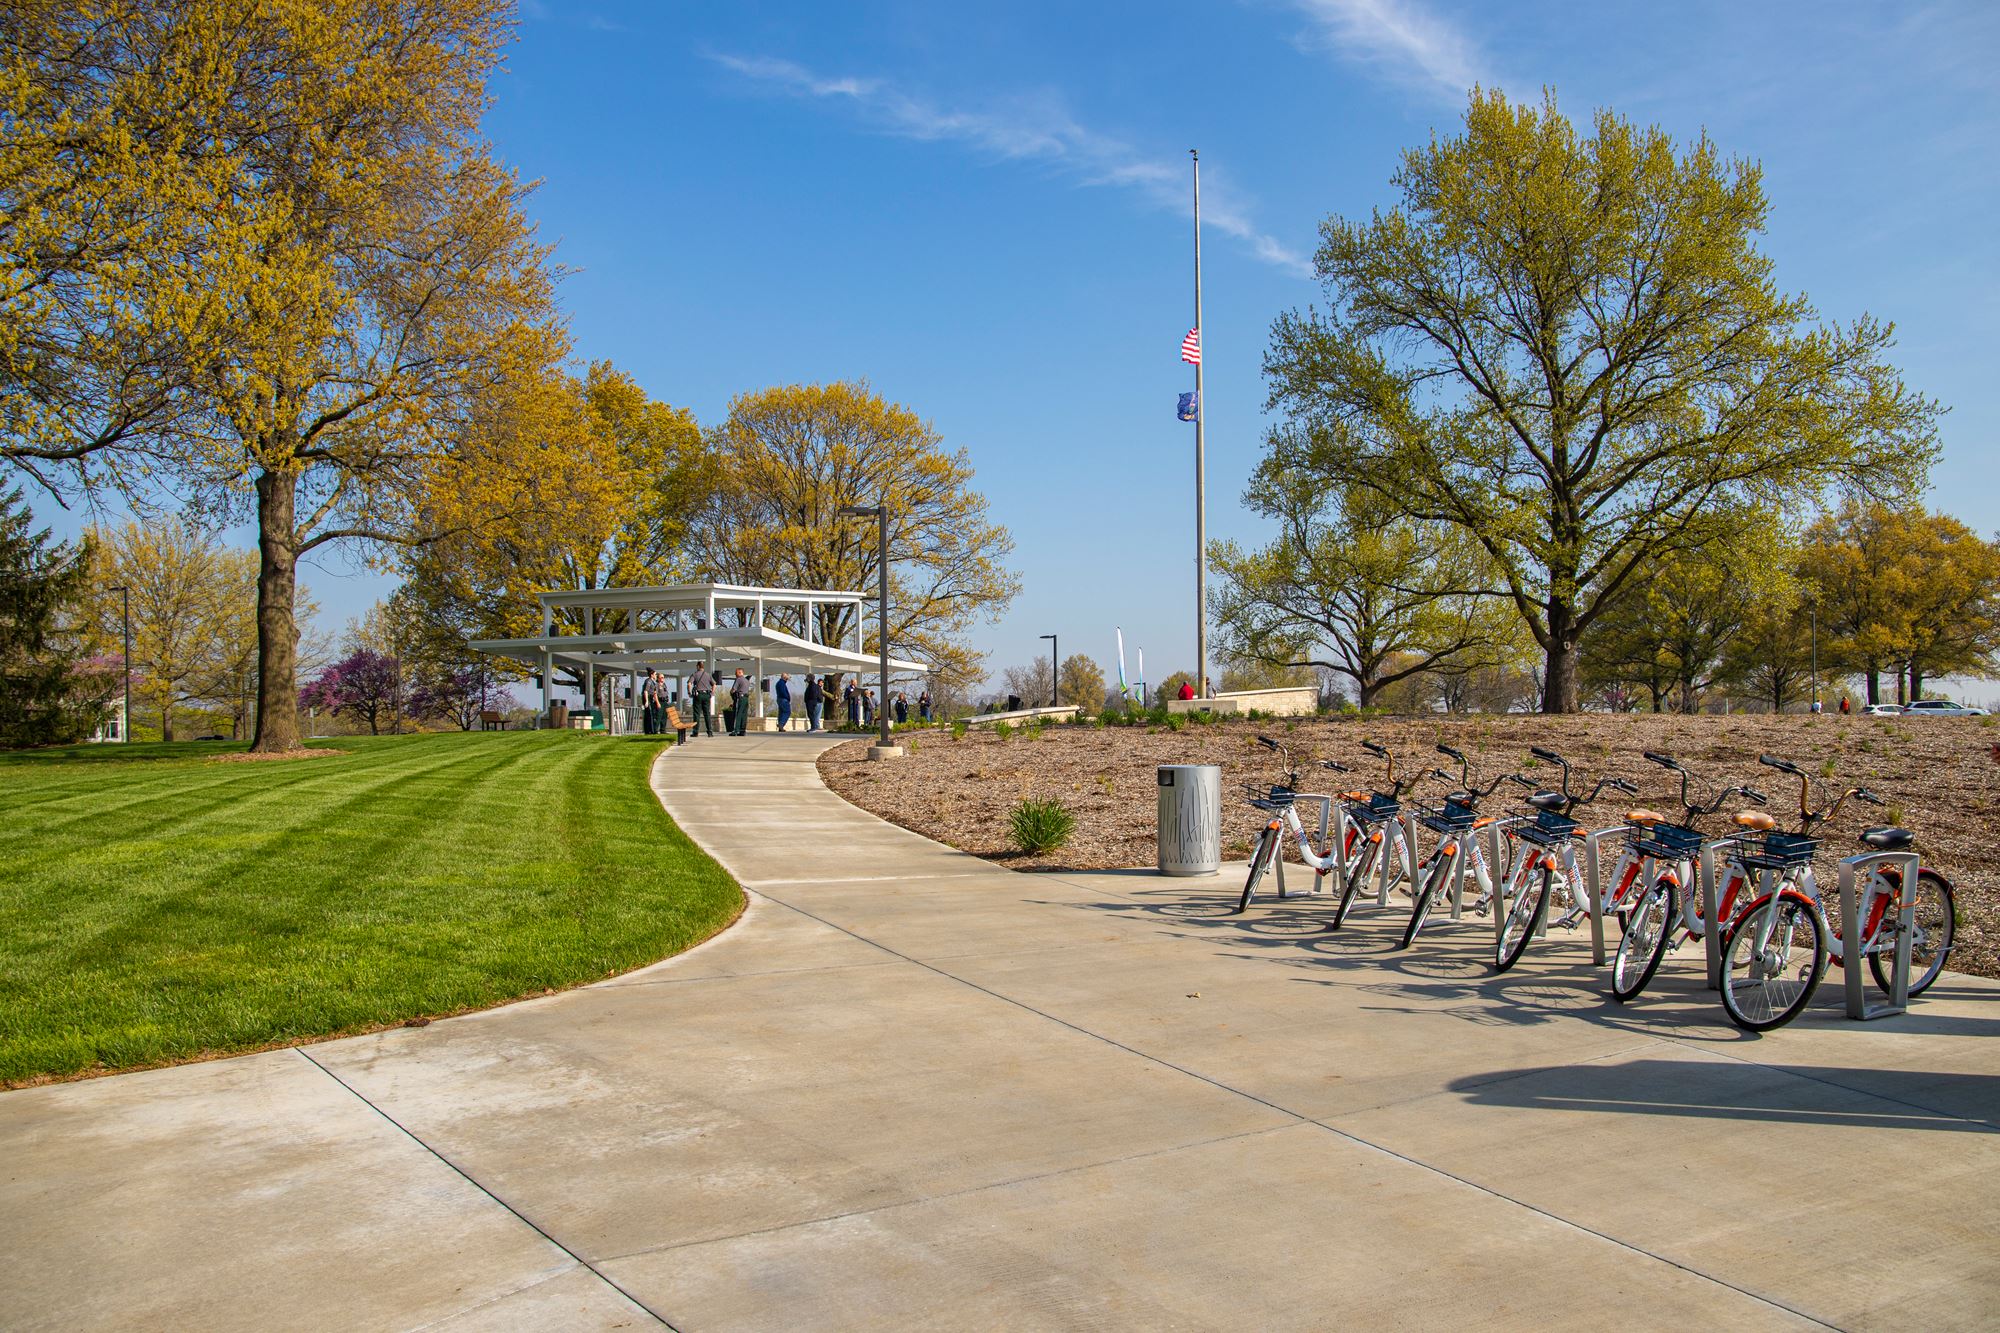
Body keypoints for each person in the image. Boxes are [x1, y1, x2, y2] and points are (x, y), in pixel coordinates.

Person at [690, 664, 716, 737]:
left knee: (696, 714)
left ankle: (695, 732)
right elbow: (714, 684)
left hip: (698, 695)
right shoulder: (708, 675)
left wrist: (689, 692)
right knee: (707, 713)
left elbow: (689, 683)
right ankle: (710, 732)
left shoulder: (694, 674)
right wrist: (712, 693)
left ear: (698, 666)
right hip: (707, 695)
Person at [729, 668, 752, 735]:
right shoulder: (746, 681)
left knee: (738, 714)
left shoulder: (738, 679)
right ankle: (742, 730)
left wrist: (731, 693)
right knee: (744, 714)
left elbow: (733, 689)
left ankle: (736, 730)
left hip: (740, 698)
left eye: (736, 673)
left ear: (739, 672)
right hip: (746, 698)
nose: (735, 674)